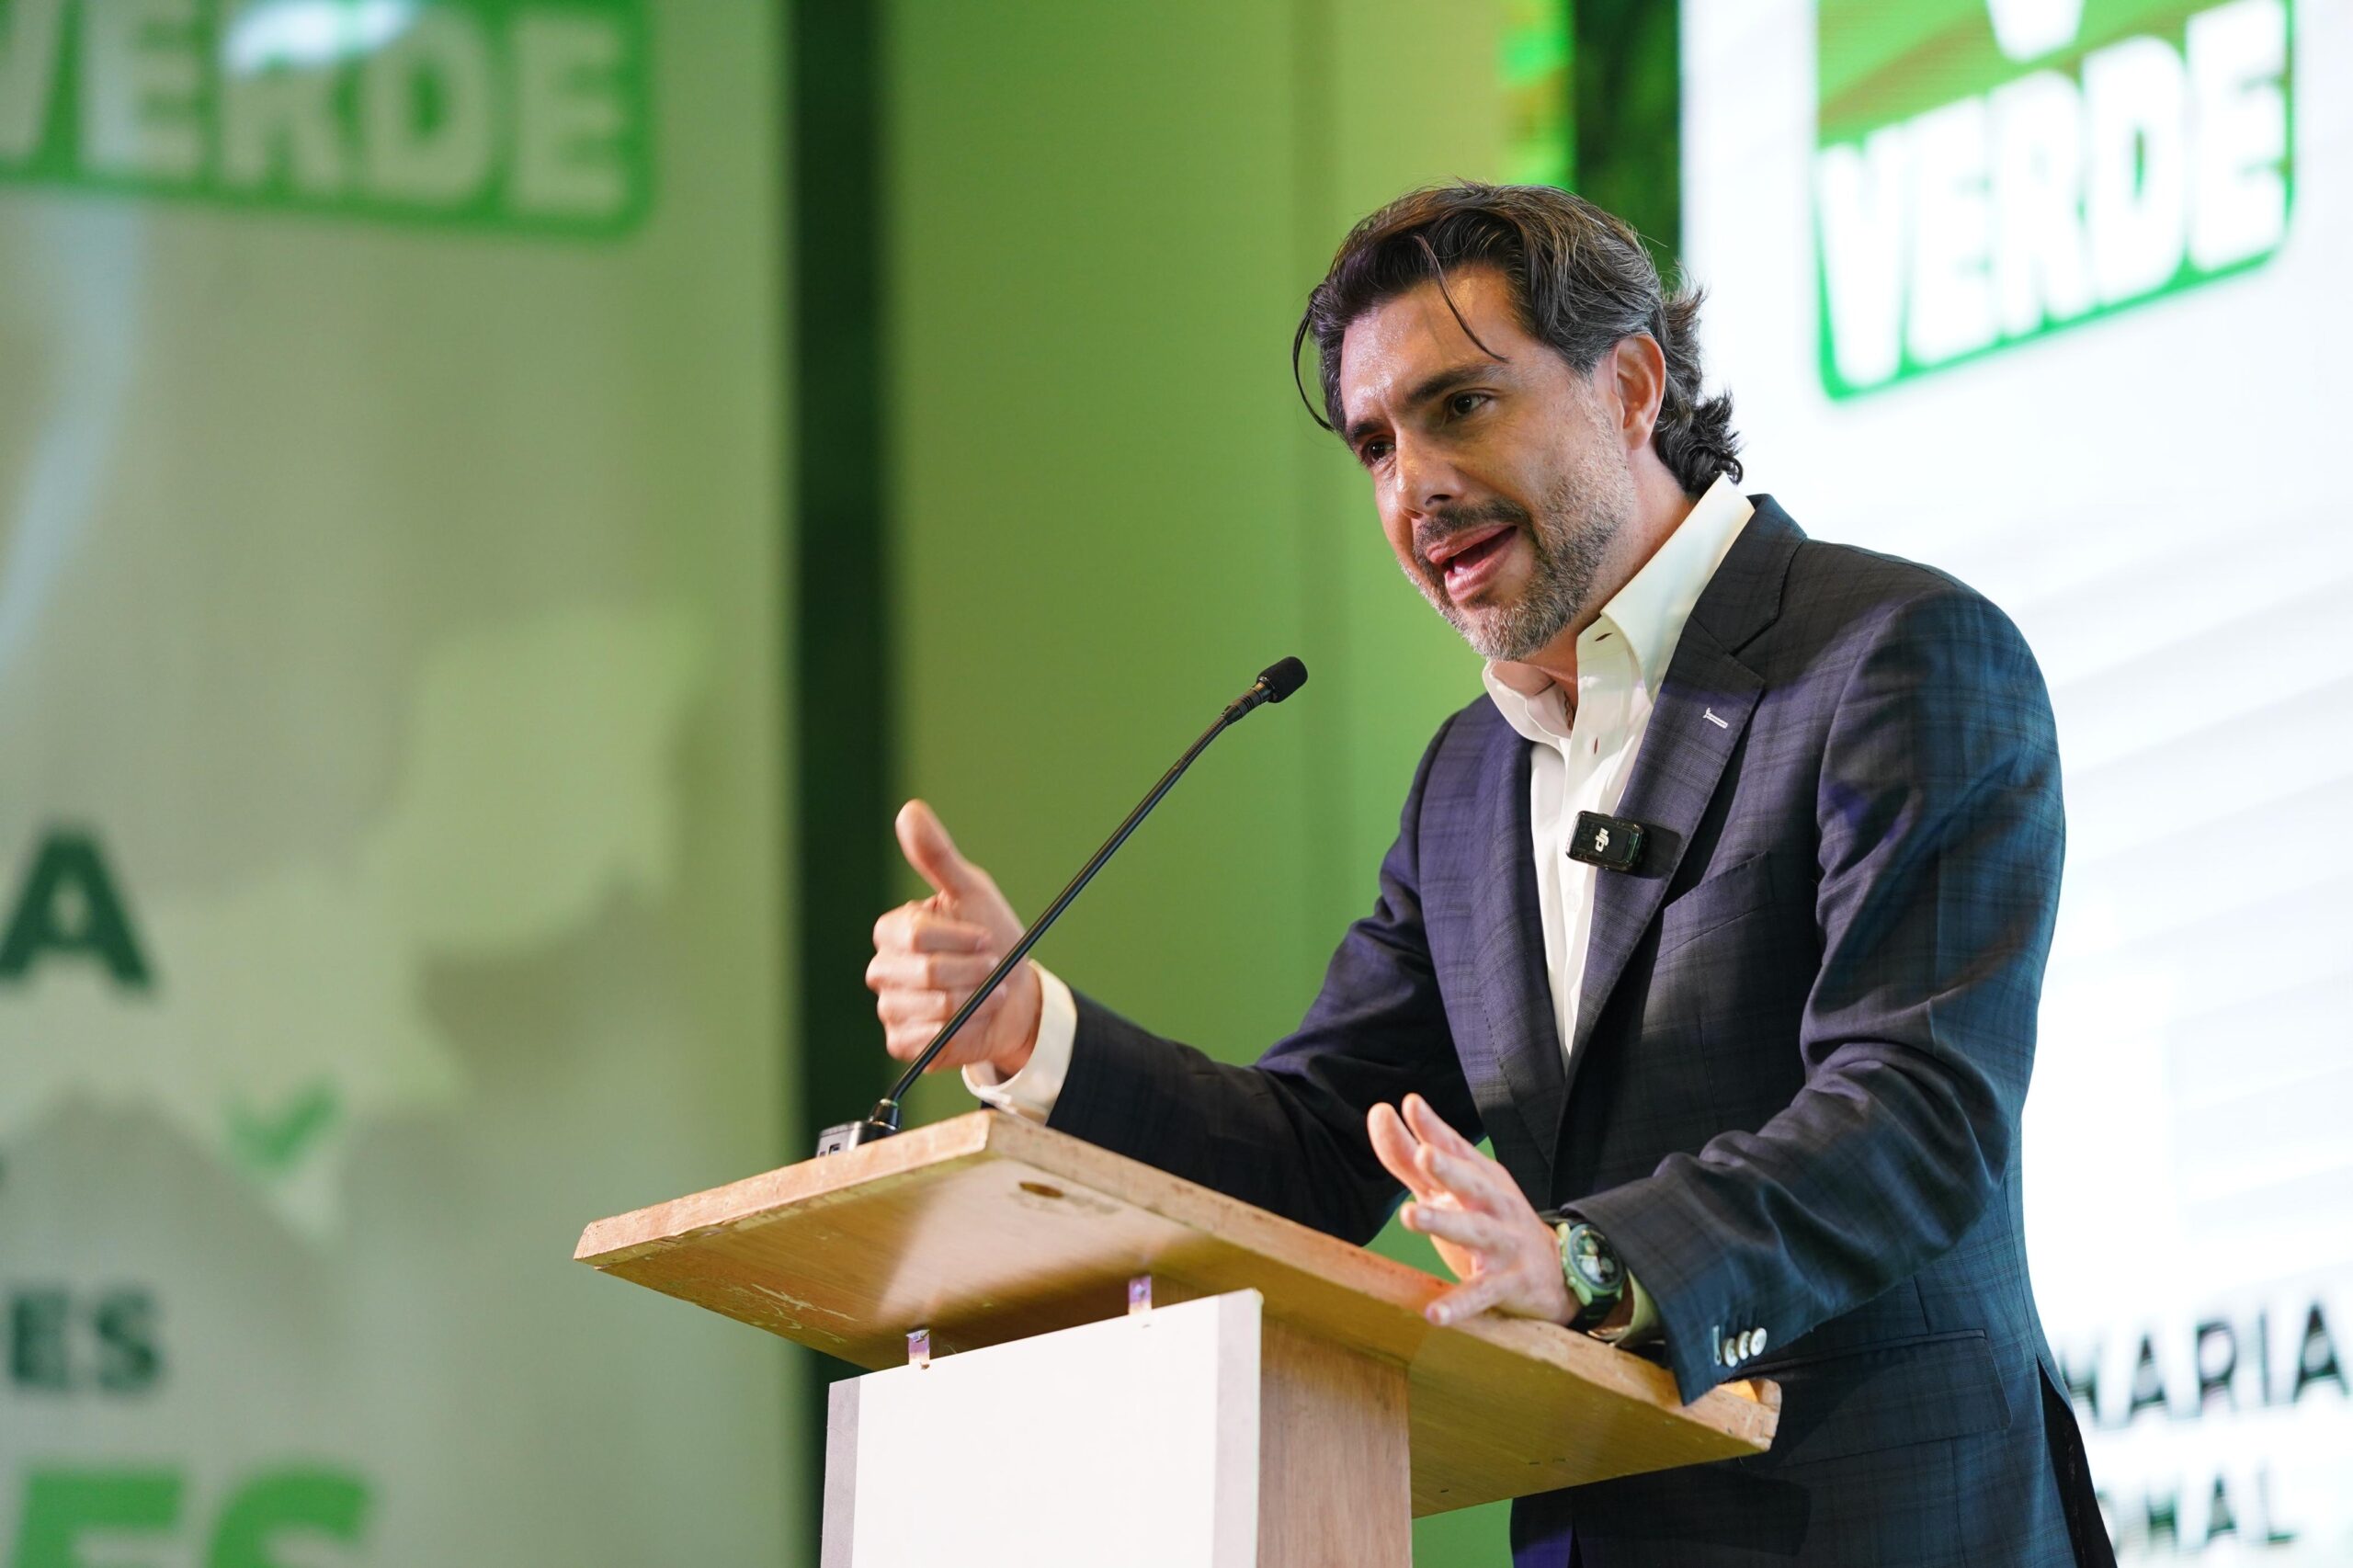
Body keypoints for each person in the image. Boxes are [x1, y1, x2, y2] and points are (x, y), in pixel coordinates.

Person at [864, 182, 2112, 1568]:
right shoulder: (1467, 782)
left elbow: (1915, 1115)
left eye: (1461, 405)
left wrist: (1587, 1262)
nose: (1415, 490)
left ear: (1630, 387)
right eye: (1375, 446)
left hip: (1889, 1528)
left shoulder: (1891, 654)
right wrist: (1032, 1033)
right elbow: (1319, 1147)